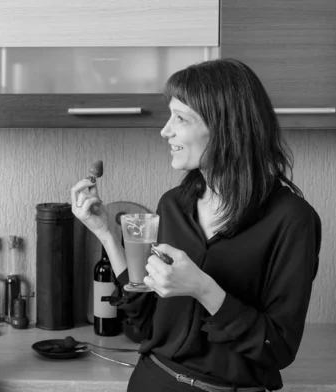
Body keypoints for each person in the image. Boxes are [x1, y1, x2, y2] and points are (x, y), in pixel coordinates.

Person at [71, 58, 321, 392]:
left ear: (227, 127)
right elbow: (147, 323)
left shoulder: (292, 220)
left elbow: (277, 347)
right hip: (151, 381)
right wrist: (104, 233)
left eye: (181, 118)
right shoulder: (173, 205)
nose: (165, 130)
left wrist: (204, 288)